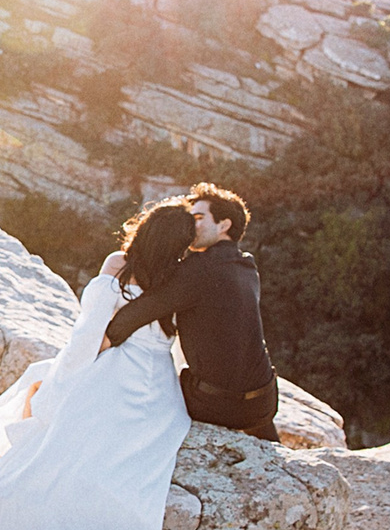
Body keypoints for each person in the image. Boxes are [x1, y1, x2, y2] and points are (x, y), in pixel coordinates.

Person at [0, 201, 196, 530]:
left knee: (43, 391)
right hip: (160, 384)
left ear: (146, 229)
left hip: (116, 363)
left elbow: (88, 334)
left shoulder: (120, 264)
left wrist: (67, 376)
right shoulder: (183, 277)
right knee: (44, 385)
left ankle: (18, 518)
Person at [98, 182, 280, 440]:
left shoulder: (197, 270)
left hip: (215, 406)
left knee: (154, 386)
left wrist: (94, 352)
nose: (191, 226)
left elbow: (134, 316)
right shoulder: (247, 266)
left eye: (198, 218)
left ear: (224, 225)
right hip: (265, 403)